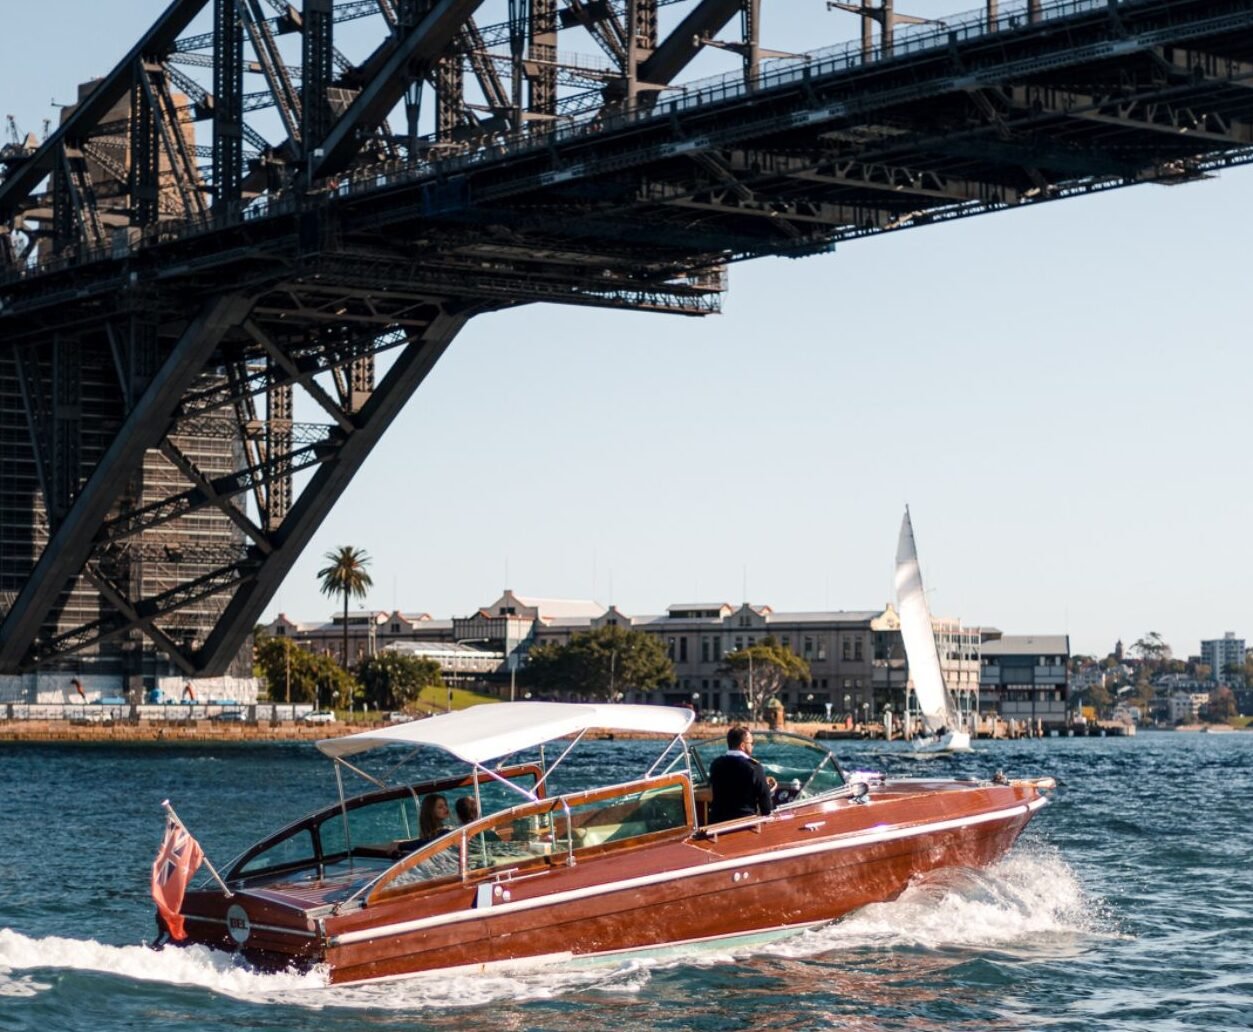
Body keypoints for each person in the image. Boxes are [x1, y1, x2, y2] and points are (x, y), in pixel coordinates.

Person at [708, 726, 774, 824]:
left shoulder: (715, 764)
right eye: (751, 743)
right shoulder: (754, 767)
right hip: (744, 823)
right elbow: (766, 804)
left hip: (717, 823)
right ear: (742, 746)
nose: (753, 746)